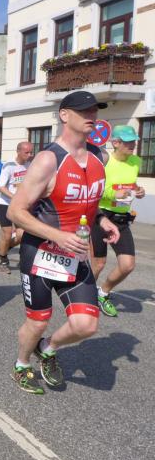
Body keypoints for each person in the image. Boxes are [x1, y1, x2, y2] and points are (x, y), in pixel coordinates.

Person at [8, 91, 119, 395]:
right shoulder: (48, 160)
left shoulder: (100, 157)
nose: (92, 116)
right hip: (40, 254)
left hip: (75, 256)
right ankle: (21, 365)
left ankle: (48, 348)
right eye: (84, 111)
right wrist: (58, 236)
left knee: (86, 325)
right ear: (64, 115)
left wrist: (102, 220)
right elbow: (15, 211)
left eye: (95, 111)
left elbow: (87, 202)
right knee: (38, 321)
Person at [91, 125, 145, 317]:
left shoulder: (136, 161)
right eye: (128, 142)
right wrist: (114, 194)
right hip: (101, 215)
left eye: (134, 141)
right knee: (98, 264)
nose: (133, 145)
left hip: (121, 219)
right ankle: (83, 297)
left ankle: (103, 293)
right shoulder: (104, 161)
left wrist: (138, 190)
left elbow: (130, 184)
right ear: (115, 143)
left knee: (127, 265)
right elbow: (94, 188)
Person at [0, 142, 34, 273]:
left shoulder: (30, 165)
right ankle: (3, 260)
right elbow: (0, 187)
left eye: (31, 152)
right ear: (18, 151)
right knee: (7, 235)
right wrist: (14, 197)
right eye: (27, 152)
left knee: (21, 235)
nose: (30, 155)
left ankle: (2, 249)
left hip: (20, 204)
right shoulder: (9, 165)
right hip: (5, 203)